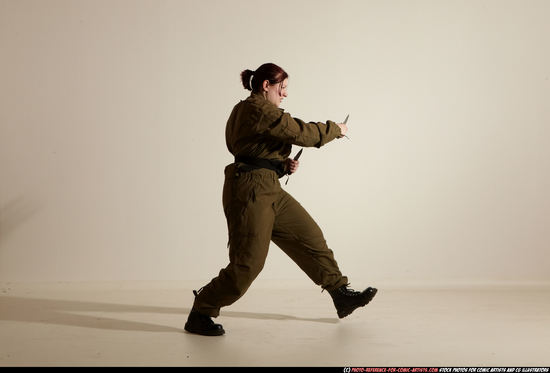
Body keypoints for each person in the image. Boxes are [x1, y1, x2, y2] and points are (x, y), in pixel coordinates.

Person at [184, 63, 377, 336]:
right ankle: (201, 310)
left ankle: (340, 294)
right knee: (248, 264)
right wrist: (337, 129)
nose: (284, 95)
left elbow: (252, 148)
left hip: (269, 186)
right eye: (282, 88)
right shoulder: (256, 109)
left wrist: (281, 165)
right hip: (250, 191)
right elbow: (299, 132)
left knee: (310, 237)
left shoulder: (254, 111)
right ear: (266, 86)